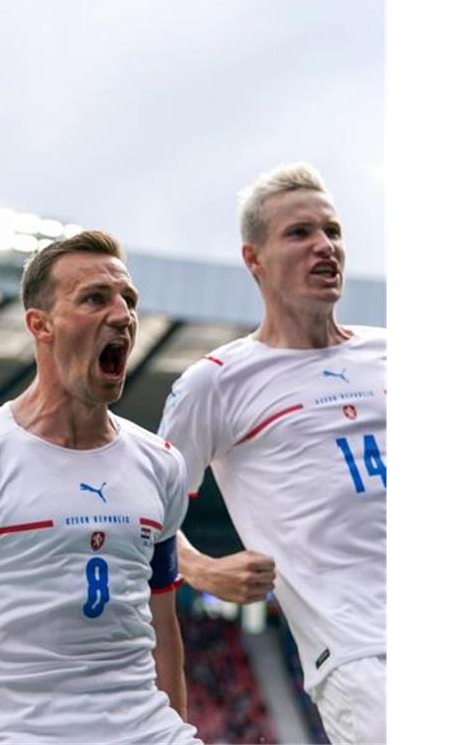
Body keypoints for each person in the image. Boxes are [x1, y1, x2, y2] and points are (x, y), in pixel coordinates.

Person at [0, 232, 200, 744]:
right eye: (95, 298)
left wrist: (179, 729)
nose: (123, 315)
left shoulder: (161, 465)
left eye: (129, 301)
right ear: (41, 325)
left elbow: (163, 627)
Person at [158, 163, 385, 744]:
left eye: (332, 231)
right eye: (299, 233)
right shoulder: (216, 384)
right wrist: (205, 570)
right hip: (364, 655)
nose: (324, 247)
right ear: (253, 259)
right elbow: (143, 514)